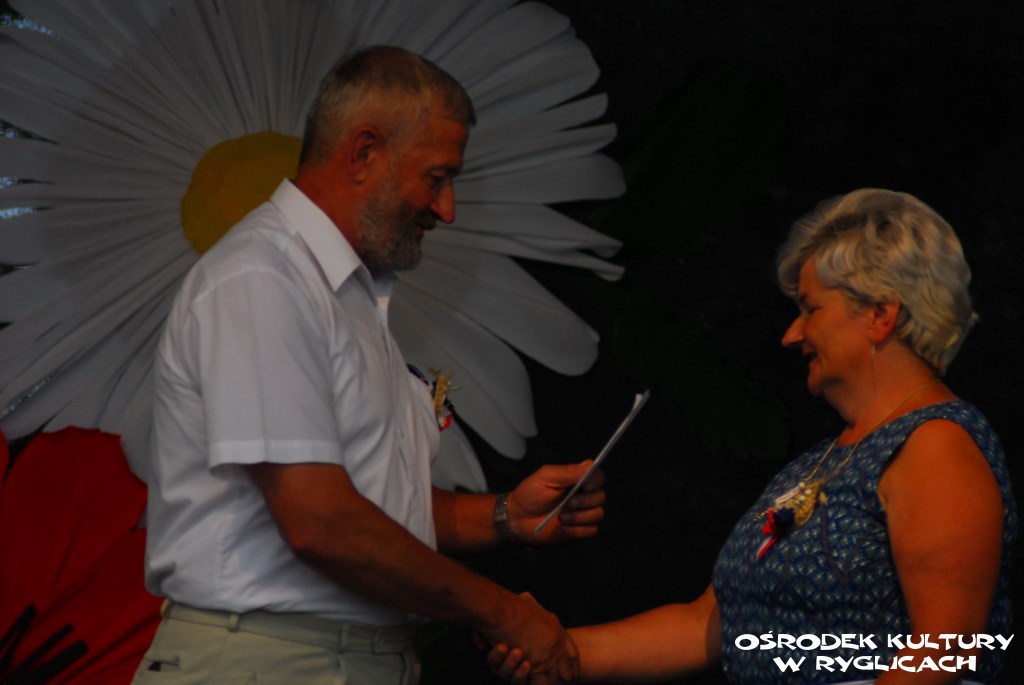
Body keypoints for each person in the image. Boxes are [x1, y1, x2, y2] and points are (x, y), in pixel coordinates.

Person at [133, 46, 604, 685]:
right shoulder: (262, 279)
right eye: (436, 177)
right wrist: (505, 615)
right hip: (264, 661)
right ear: (363, 153)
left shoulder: (350, 295)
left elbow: (376, 507)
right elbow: (320, 522)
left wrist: (505, 517)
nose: (447, 208)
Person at [488, 189, 1016, 684]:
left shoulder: (935, 445)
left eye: (810, 309)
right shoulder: (820, 462)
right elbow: (706, 625)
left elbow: (949, 648)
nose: (791, 334)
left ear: (880, 314)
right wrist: (558, 649)